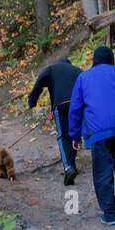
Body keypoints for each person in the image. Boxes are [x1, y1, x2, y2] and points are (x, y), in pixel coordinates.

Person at [67, 45, 115, 226]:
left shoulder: (83, 78)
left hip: (98, 131)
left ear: (94, 61)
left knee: (102, 171)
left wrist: (75, 136)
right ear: (112, 60)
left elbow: (75, 109)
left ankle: (110, 214)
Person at [27, 55, 83, 185]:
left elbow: (39, 82)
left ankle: (68, 168)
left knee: (63, 137)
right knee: (74, 134)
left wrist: (32, 101)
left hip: (61, 104)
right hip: (77, 104)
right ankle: (72, 165)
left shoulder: (52, 69)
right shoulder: (78, 70)